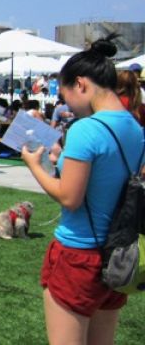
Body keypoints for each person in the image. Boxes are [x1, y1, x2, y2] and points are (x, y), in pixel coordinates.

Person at [22, 35, 143, 345]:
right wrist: (64, 161)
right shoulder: (134, 126)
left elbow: (69, 197)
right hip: (118, 255)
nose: (67, 105)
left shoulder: (86, 128)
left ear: (80, 84)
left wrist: (34, 165)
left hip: (78, 255)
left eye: (65, 96)